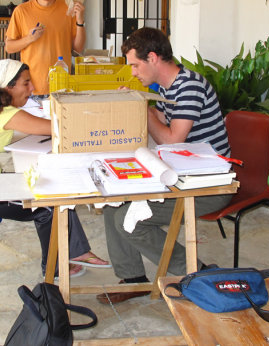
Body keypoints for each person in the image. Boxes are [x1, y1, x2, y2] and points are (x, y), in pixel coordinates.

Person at [98, 27, 231, 304]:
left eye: (135, 65)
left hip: (211, 185)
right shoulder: (169, 87)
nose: (133, 73)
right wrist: (136, 107)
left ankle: (196, 272)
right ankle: (133, 279)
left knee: (128, 221)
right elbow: (156, 128)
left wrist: (142, 109)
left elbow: (171, 139)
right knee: (113, 206)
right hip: (184, 175)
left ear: (154, 58)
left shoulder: (189, 86)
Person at [0, 59, 109, 277]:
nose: (32, 88)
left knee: (53, 190)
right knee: (45, 207)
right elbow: (58, 128)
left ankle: (76, 252)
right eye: (26, 83)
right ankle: (53, 268)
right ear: (9, 87)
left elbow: (33, 128)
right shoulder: (4, 114)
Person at [5, 0, 86, 95]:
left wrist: (80, 20)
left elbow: (78, 48)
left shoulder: (67, 9)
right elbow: (9, 47)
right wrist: (29, 39)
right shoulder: (21, 11)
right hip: (32, 89)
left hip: (62, 87)